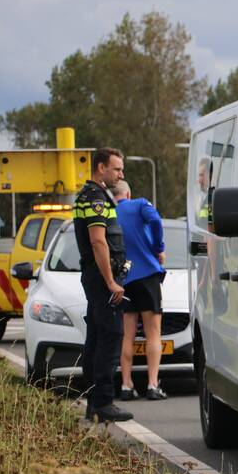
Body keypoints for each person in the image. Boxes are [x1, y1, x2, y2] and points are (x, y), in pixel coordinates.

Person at [73, 147, 132, 423]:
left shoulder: (92, 195)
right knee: (111, 334)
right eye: (116, 169)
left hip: (96, 277)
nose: (120, 174)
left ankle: (94, 402)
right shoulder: (96, 198)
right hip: (101, 279)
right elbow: (98, 241)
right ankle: (103, 402)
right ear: (101, 168)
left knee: (97, 337)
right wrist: (110, 281)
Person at [113, 180, 168, 401]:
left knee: (127, 334)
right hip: (147, 275)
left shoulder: (110, 212)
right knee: (153, 332)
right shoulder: (140, 204)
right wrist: (158, 248)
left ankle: (126, 385)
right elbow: (155, 220)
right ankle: (152, 385)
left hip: (125, 278)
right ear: (128, 193)